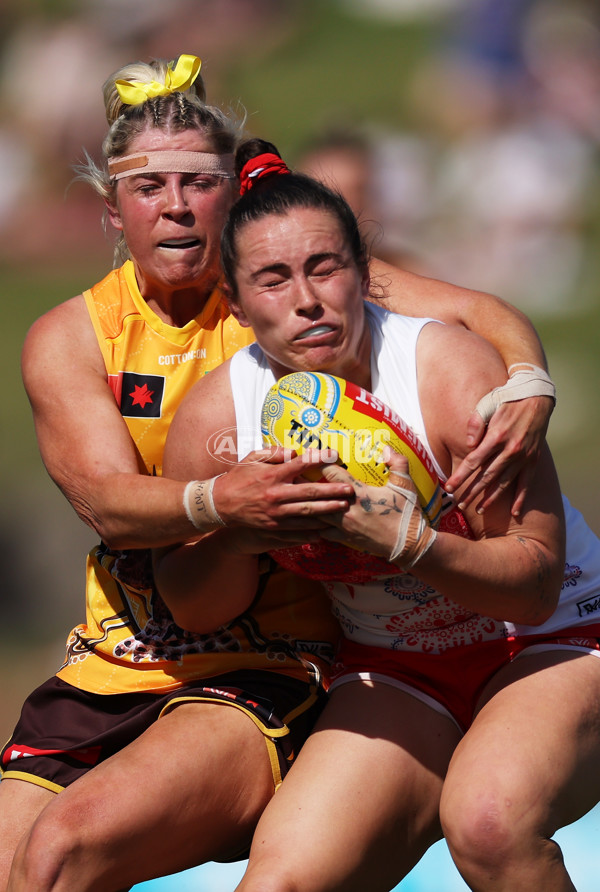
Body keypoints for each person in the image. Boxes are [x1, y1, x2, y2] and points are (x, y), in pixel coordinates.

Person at [0, 53, 556, 890]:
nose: (177, 206)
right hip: (123, 650)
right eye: (149, 187)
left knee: (61, 853)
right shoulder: (73, 337)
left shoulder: (280, 285)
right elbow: (110, 505)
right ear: (112, 211)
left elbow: (475, 312)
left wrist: (527, 382)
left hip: (280, 655)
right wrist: (223, 504)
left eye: (199, 181)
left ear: (233, 194)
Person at [154, 140, 600, 892]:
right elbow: (198, 610)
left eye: (324, 268)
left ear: (366, 274)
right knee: (279, 881)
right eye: (272, 279)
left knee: (488, 823)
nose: (305, 299)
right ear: (233, 304)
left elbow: (533, 584)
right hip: (398, 669)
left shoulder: (449, 371)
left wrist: (410, 542)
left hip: (553, 639)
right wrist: (240, 531)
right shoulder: (216, 423)